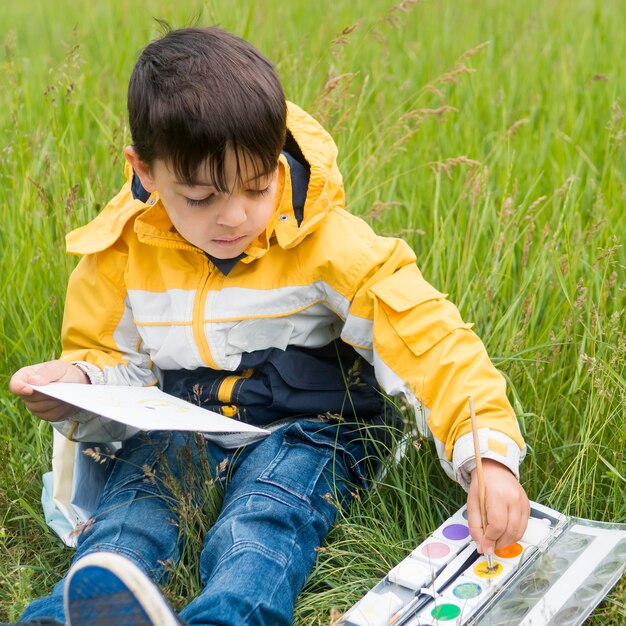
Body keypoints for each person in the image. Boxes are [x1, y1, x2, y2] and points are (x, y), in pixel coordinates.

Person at [7, 25, 530, 626]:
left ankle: (229, 617)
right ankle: (70, 614)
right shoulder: (121, 252)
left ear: (278, 156)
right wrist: (74, 384)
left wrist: (486, 454)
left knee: (263, 520)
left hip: (311, 428)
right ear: (146, 172)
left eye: (257, 187)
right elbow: (117, 365)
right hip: (185, 421)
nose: (233, 217)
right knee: (133, 512)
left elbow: (427, 338)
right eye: (201, 197)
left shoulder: (329, 244)